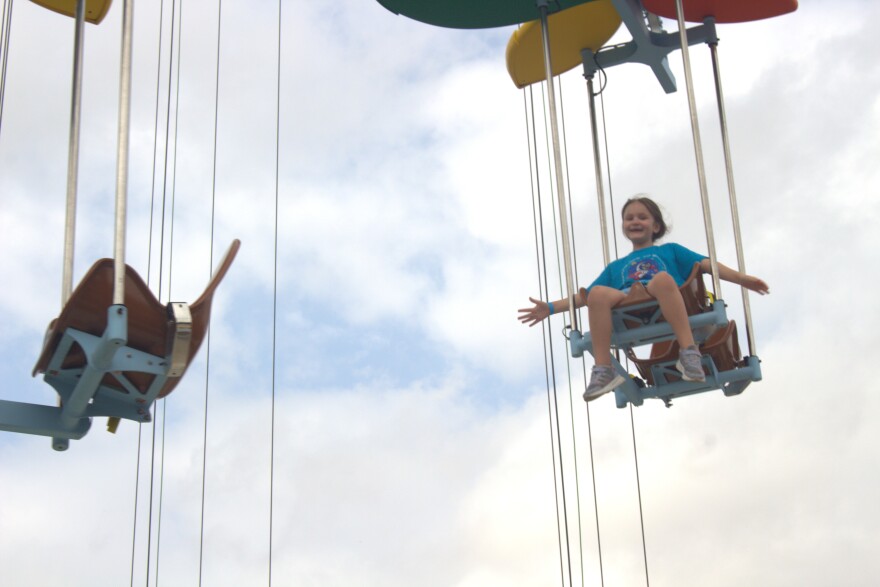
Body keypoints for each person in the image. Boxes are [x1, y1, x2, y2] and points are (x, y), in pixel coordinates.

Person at [518, 196, 769, 401]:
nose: (634, 221)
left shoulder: (670, 251)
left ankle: (688, 352)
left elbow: (706, 265)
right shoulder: (617, 267)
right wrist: (550, 308)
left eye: (642, 217)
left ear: (656, 226)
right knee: (597, 293)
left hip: (661, 295)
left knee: (661, 279)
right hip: (628, 306)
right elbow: (583, 298)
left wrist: (741, 279)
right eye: (629, 218)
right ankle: (604, 370)